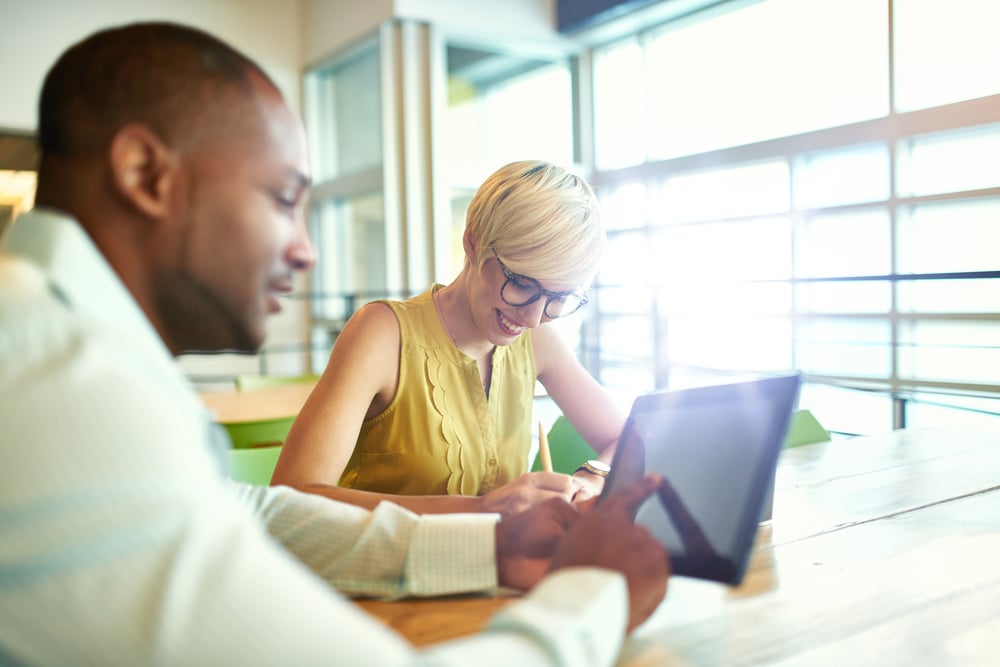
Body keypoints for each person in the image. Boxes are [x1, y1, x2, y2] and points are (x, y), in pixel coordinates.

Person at [0, 21, 670, 665]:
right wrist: (593, 595)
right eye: (283, 198)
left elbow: (257, 510)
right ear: (146, 173)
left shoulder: (65, 343)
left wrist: (493, 542)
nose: (306, 249)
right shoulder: (55, 377)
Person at [273, 160, 627, 516]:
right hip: (374, 570)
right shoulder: (382, 335)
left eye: (559, 298)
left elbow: (630, 438)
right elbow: (291, 497)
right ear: (472, 242)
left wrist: (591, 477)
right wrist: (482, 509)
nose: (533, 317)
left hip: (497, 571)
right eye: (520, 284)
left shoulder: (536, 339)